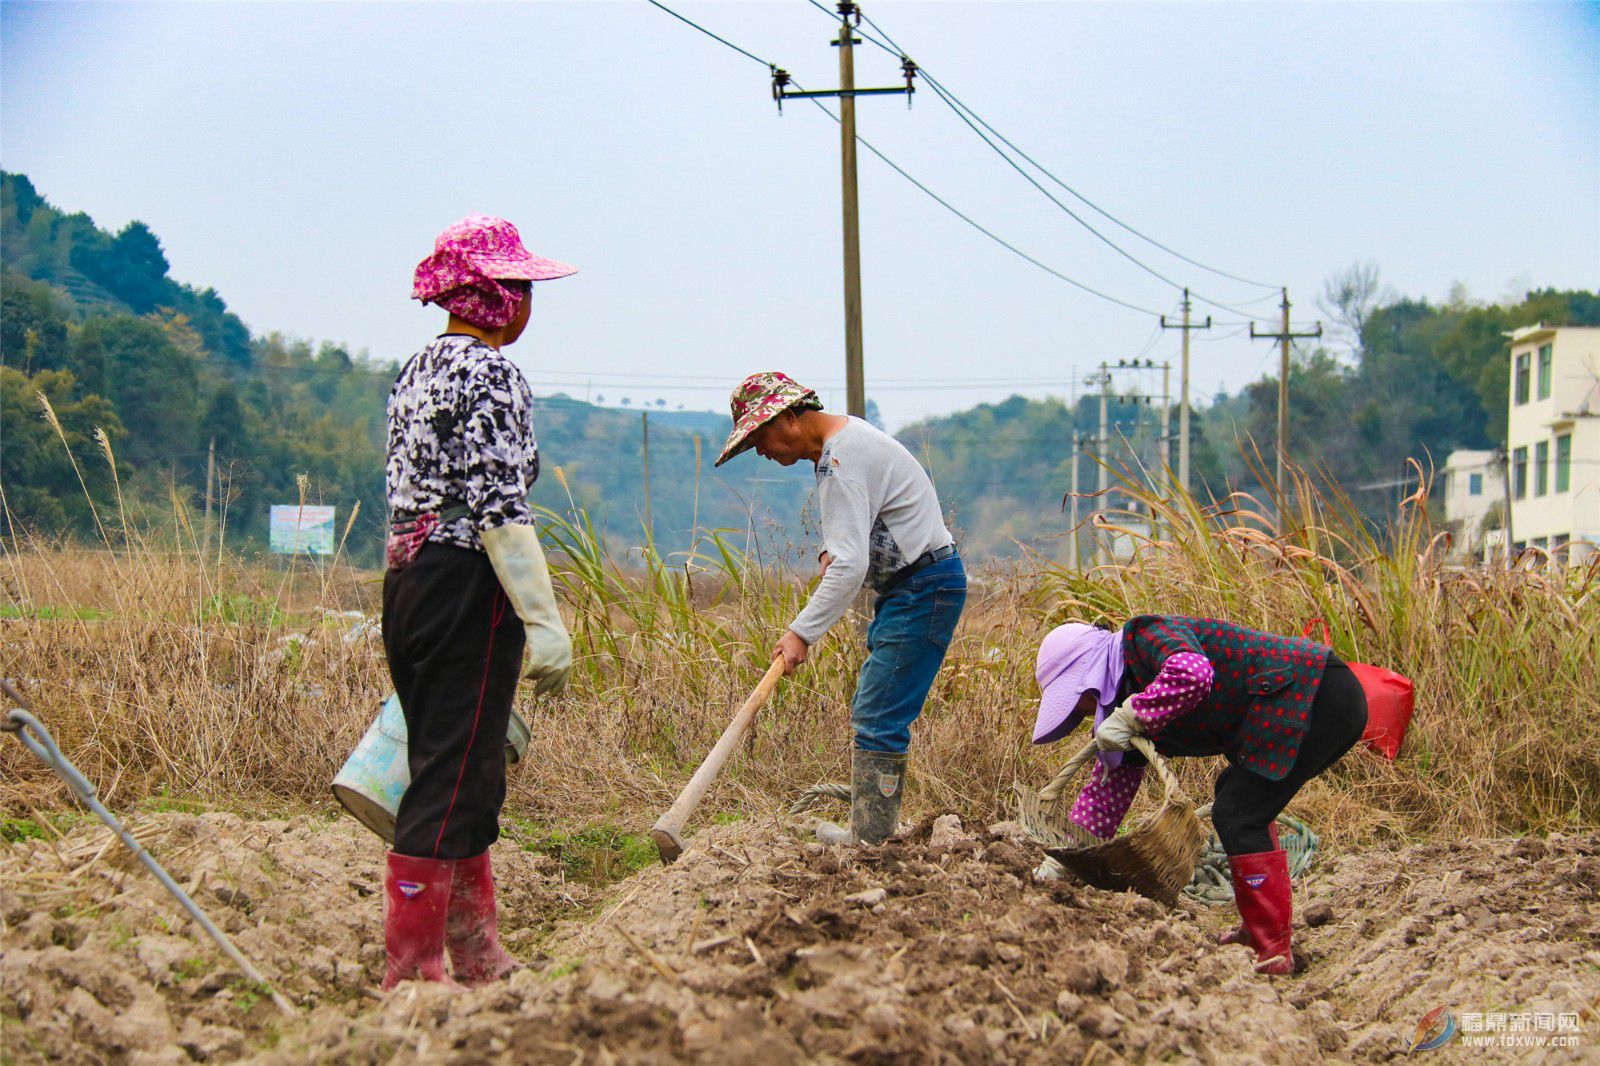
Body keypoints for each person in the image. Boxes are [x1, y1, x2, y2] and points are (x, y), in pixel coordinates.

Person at [379, 214, 575, 990]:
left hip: (411, 578)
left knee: (457, 765)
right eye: (520, 286)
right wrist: (543, 616)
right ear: (492, 295)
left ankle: (474, 949)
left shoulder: (419, 367)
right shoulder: (491, 376)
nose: (528, 302)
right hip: (467, 583)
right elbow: (500, 507)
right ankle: (416, 966)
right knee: (453, 775)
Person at [1031, 616, 1368, 974]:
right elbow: (1106, 794)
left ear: (1088, 675)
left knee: (1238, 813)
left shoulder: (1143, 639)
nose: (1082, 713)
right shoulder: (1124, 709)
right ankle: (1260, 934)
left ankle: (1270, 950)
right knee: (1236, 797)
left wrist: (1135, 714)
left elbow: (1193, 673)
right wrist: (1065, 858)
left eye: (1077, 701)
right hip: (1306, 700)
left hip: (1319, 691)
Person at [715, 372, 965, 845]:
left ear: (789, 417)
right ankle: (872, 832)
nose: (761, 452)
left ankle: (870, 841)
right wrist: (834, 555)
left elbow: (850, 565)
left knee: (878, 712)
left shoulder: (840, 459)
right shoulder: (840, 448)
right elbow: (848, 545)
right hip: (910, 587)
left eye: (759, 437)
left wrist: (800, 633)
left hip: (923, 587)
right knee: (876, 706)